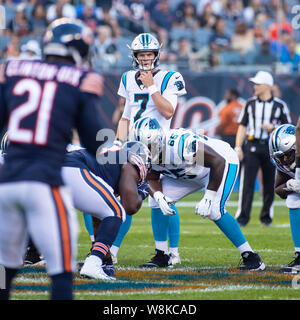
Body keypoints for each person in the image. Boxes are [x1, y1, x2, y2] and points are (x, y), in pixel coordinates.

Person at [0, 18, 106, 300]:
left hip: (7, 182)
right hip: (44, 184)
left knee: (4, 268)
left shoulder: (12, 69)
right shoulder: (80, 79)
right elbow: (95, 142)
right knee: (61, 271)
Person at [133, 117, 265, 270]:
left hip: (219, 164)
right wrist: (158, 195)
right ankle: (162, 255)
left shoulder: (180, 144)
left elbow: (217, 162)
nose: (147, 152)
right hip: (185, 173)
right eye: (142, 147)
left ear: (159, 140)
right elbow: (152, 177)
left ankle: (251, 257)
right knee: (155, 202)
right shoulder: (145, 153)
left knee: (215, 210)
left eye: (150, 147)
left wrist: (208, 196)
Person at [111, 32, 186, 266]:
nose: (145, 58)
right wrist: (116, 143)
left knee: (162, 199)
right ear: (134, 56)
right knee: (124, 194)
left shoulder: (169, 77)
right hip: (135, 145)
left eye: (149, 54)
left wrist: (152, 87)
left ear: (157, 54)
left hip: (160, 144)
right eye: (141, 54)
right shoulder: (127, 78)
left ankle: (170, 252)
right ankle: (110, 250)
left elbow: (167, 112)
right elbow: (126, 117)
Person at [62, 141, 151, 280]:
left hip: (59, 166)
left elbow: (98, 216)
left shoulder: (109, 163)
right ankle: (94, 263)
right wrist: (142, 193)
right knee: (117, 212)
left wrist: (106, 259)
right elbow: (130, 206)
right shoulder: (129, 162)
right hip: (74, 168)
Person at [235, 71, 291, 227]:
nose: (255, 87)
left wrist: (273, 128)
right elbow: (242, 126)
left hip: (271, 148)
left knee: (269, 184)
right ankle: (242, 218)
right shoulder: (250, 103)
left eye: (258, 84)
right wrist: (238, 147)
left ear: (267, 86)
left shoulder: (280, 106)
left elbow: (288, 129)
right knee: (247, 184)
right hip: (252, 145)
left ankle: (266, 218)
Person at [269, 124, 300, 273]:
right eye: (280, 156)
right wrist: (290, 184)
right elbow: (278, 189)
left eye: (288, 154)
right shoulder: (282, 164)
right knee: (293, 198)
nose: (285, 159)